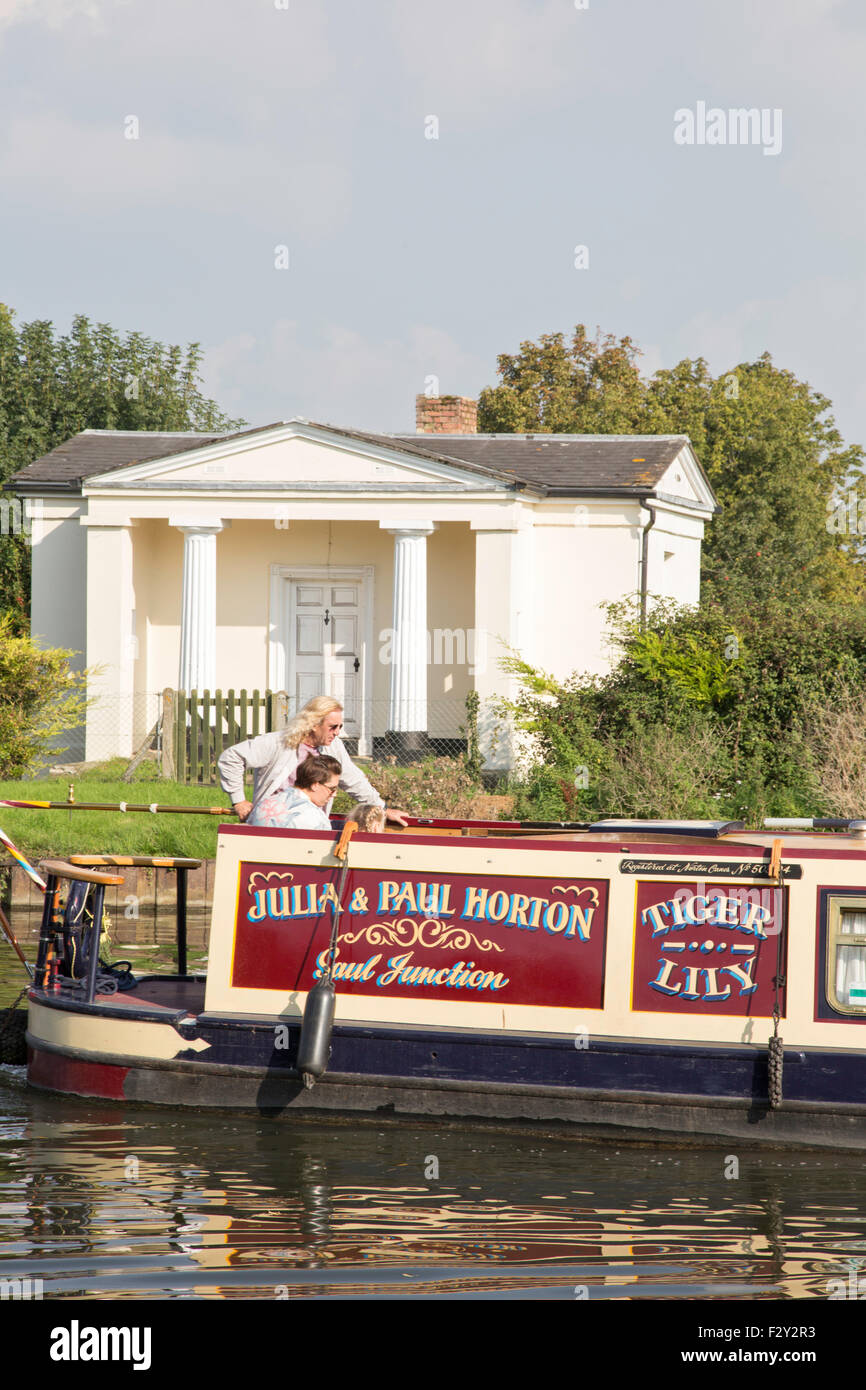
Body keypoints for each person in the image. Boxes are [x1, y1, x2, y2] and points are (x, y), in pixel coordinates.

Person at [217, 694, 408, 826]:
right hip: (273, 827)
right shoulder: (278, 742)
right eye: (333, 727)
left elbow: (353, 780)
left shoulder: (334, 747)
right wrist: (239, 801)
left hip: (310, 827)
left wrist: (382, 808)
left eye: (340, 726)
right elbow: (231, 758)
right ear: (314, 724)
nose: (337, 732)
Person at [247, 754, 341, 830]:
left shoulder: (264, 804)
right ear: (315, 785)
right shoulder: (315, 816)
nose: (334, 794)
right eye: (332, 789)